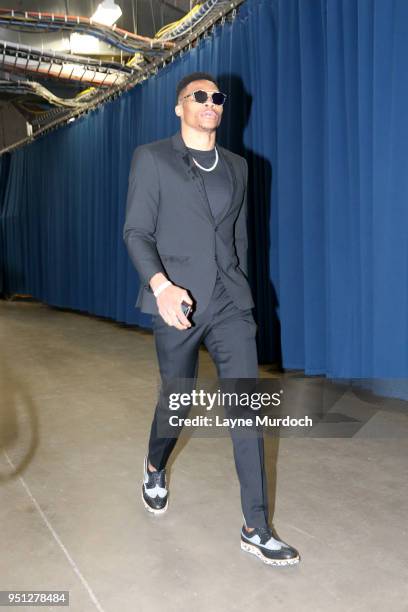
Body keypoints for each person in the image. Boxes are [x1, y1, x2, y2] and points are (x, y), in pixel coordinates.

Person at [123, 72, 300, 566]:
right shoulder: (152, 159)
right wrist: (161, 286)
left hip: (229, 303)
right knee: (177, 403)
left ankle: (256, 526)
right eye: (198, 96)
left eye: (216, 98)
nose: (210, 103)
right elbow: (136, 232)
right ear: (179, 107)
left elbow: (239, 240)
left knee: (247, 406)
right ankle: (155, 463)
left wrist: (244, 293)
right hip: (176, 301)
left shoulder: (239, 167)